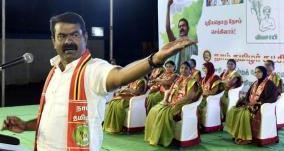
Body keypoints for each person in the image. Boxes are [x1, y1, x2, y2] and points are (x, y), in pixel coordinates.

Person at [1, 12, 196, 151]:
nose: (68, 40)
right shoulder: (54, 72)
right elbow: (54, 117)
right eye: (61, 36)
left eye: (74, 35)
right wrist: (26, 125)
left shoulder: (92, 69)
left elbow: (120, 75)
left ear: (85, 38)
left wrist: (154, 59)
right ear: (53, 41)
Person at [144, 61, 202, 147]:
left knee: (164, 113)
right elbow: (170, 91)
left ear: (190, 70)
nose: (183, 70)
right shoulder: (177, 80)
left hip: (184, 104)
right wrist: (166, 100)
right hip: (172, 102)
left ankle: (165, 139)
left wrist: (174, 103)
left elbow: (189, 97)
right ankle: (155, 136)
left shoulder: (192, 82)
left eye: (186, 68)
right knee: (154, 110)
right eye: (182, 68)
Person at [224, 66, 277, 145]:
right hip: (251, 105)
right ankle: (238, 134)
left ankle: (247, 138)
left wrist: (257, 103)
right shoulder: (255, 83)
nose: (257, 74)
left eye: (259, 72)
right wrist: (245, 102)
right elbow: (247, 95)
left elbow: (272, 98)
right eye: (256, 72)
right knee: (234, 110)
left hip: (261, 106)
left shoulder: (270, 84)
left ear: (264, 73)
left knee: (244, 114)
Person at [166, 0, 198, 69]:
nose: (181, 28)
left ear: (188, 28)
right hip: (177, 77)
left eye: (183, 26)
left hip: (188, 77)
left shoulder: (193, 45)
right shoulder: (175, 41)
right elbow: (168, 28)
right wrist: (168, 6)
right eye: (179, 26)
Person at [199, 62, 223, 127]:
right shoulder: (203, 78)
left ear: (209, 68)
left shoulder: (216, 78)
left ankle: (197, 126)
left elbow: (213, 92)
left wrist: (202, 93)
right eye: (203, 68)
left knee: (195, 107)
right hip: (201, 97)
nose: (203, 70)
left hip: (209, 98)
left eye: (205, 68)